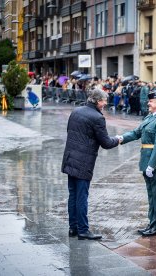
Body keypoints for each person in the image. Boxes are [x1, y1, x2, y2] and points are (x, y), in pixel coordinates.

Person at [61, 89, 120, 240]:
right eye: (104, 101)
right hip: (83, 162)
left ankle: (72, 228)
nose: (105, 103)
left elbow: (70, 131)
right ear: (98, 101)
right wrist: (119, 139)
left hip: (70, 158)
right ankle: (83, 230)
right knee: (82, 196)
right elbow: (106, 142)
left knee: (73, 195)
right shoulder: (97, 117)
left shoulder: (76, 111)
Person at [117, 88, 156, 237]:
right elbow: (136, 133)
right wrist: (121, 138)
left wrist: (151, 165)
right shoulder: (150, 117)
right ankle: (152, 223)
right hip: (147, 161)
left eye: (151, 101)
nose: (148, 103)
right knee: (151, 195)